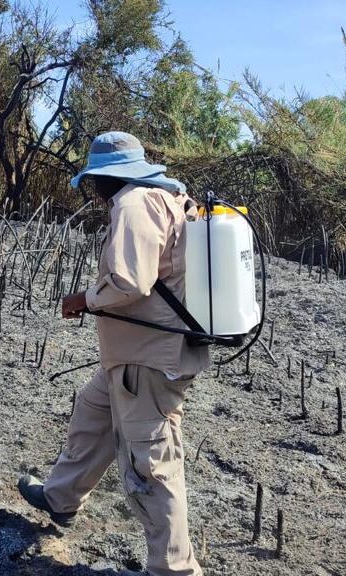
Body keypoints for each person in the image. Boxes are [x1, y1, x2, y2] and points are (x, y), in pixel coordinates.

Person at [18, 132, 210, 576]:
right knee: (93, 410)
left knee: (151, 465)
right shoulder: (169, 196)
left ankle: (173, 570)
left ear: (108, 176)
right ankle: (61, 497)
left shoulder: (134, 204)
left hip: (146, 360)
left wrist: (83, 298)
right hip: (138, 357)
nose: (95, 191)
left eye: (95, 180)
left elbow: (129, 282)